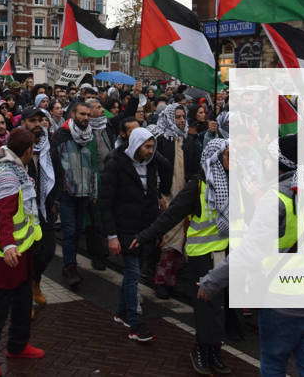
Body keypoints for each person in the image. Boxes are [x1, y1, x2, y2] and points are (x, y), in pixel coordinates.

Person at [196, 146, 304, 377]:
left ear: (281, 164)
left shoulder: (277, 198)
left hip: (282, 301)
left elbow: (249, 252)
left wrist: (211, 282)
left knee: (273, 365)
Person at [135, 139, 232, 372]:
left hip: (227, 254)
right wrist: (146, 236)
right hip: (202, 256)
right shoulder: (198, 186)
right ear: (215, 159)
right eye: (229, 155)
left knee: (222, 307)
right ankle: (201, 349)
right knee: (206, 306)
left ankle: (215, 351)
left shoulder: (235, 183)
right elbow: (172, 215)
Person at [0, 127, 45, 377]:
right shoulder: (7, 174)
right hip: (6, 253)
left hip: (21, 248)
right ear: (26, 151)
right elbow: (3, 212)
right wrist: (8, 245)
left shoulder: (15, 166)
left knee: (23, 300)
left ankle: (17, 345)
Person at [99, 126, 160, 343]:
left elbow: (152, 195)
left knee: (132, 273)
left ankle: (121, 311)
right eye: (146, 146)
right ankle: (135, 323)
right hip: (123, 228)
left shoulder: (151, 165)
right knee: (134, 274)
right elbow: (104, 202)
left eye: (153, 146)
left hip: (142, 229)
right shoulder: (115, 165)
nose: (150, 151)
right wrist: (111, 235)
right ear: (135, 145)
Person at [53, 101, 108, 286]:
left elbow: (93, 164)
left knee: (77, 231)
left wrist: (94, 190)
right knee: (69, 231)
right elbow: (54, 164)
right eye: (82, 114)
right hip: (68, 192)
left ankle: (71, 263)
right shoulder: (62, 135)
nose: (85, 118)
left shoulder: (90, 136)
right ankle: (70, 267)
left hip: (85, 192)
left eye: (87, 115)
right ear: (73, 115)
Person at [151, 103, 192, 299]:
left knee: (181, 241)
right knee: (167, 239)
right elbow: (155, 171)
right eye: (177, 117)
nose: (181, 120)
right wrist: (159, 195)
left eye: (183, 116)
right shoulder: (160, 140)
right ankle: (160, 280)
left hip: (184, 198)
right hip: (166, 197)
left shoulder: (189, 141)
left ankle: (171, 280)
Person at [21, 107, 59, 312]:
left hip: (45, 208)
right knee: (28, 254)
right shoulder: (17, 145)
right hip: (24, 210)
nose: (37, 124)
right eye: (32, 120)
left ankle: (36, 281)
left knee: (48, 250)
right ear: (24, 123)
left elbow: (57, 173)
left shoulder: (49, 146)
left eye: (40, 120)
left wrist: (55, 199)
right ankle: (26, 298)